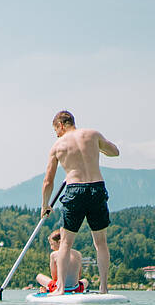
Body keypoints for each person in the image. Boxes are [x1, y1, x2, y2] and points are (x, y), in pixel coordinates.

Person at [41, 110, 119, 294]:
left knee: (66, 243)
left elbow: (48, 181)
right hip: (97, 188)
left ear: (60, 125)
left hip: (75, 190)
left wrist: (45, 205)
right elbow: (115, 152)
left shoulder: (57, 146)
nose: (57, 134)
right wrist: (96, 147)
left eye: (56, 130)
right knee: (100, 242)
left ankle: (60, 289)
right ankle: (104, 288)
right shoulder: (92, 134)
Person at [36, 229, 89, 293]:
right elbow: (79, 276)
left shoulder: (54, 254)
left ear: (59, 242)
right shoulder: (78, 254)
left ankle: (48, 289)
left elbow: (54, 277)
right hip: (76, 288)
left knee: (39, 277)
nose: (51, 248)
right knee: (85, 281)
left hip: (60, 288)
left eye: (52, 244)